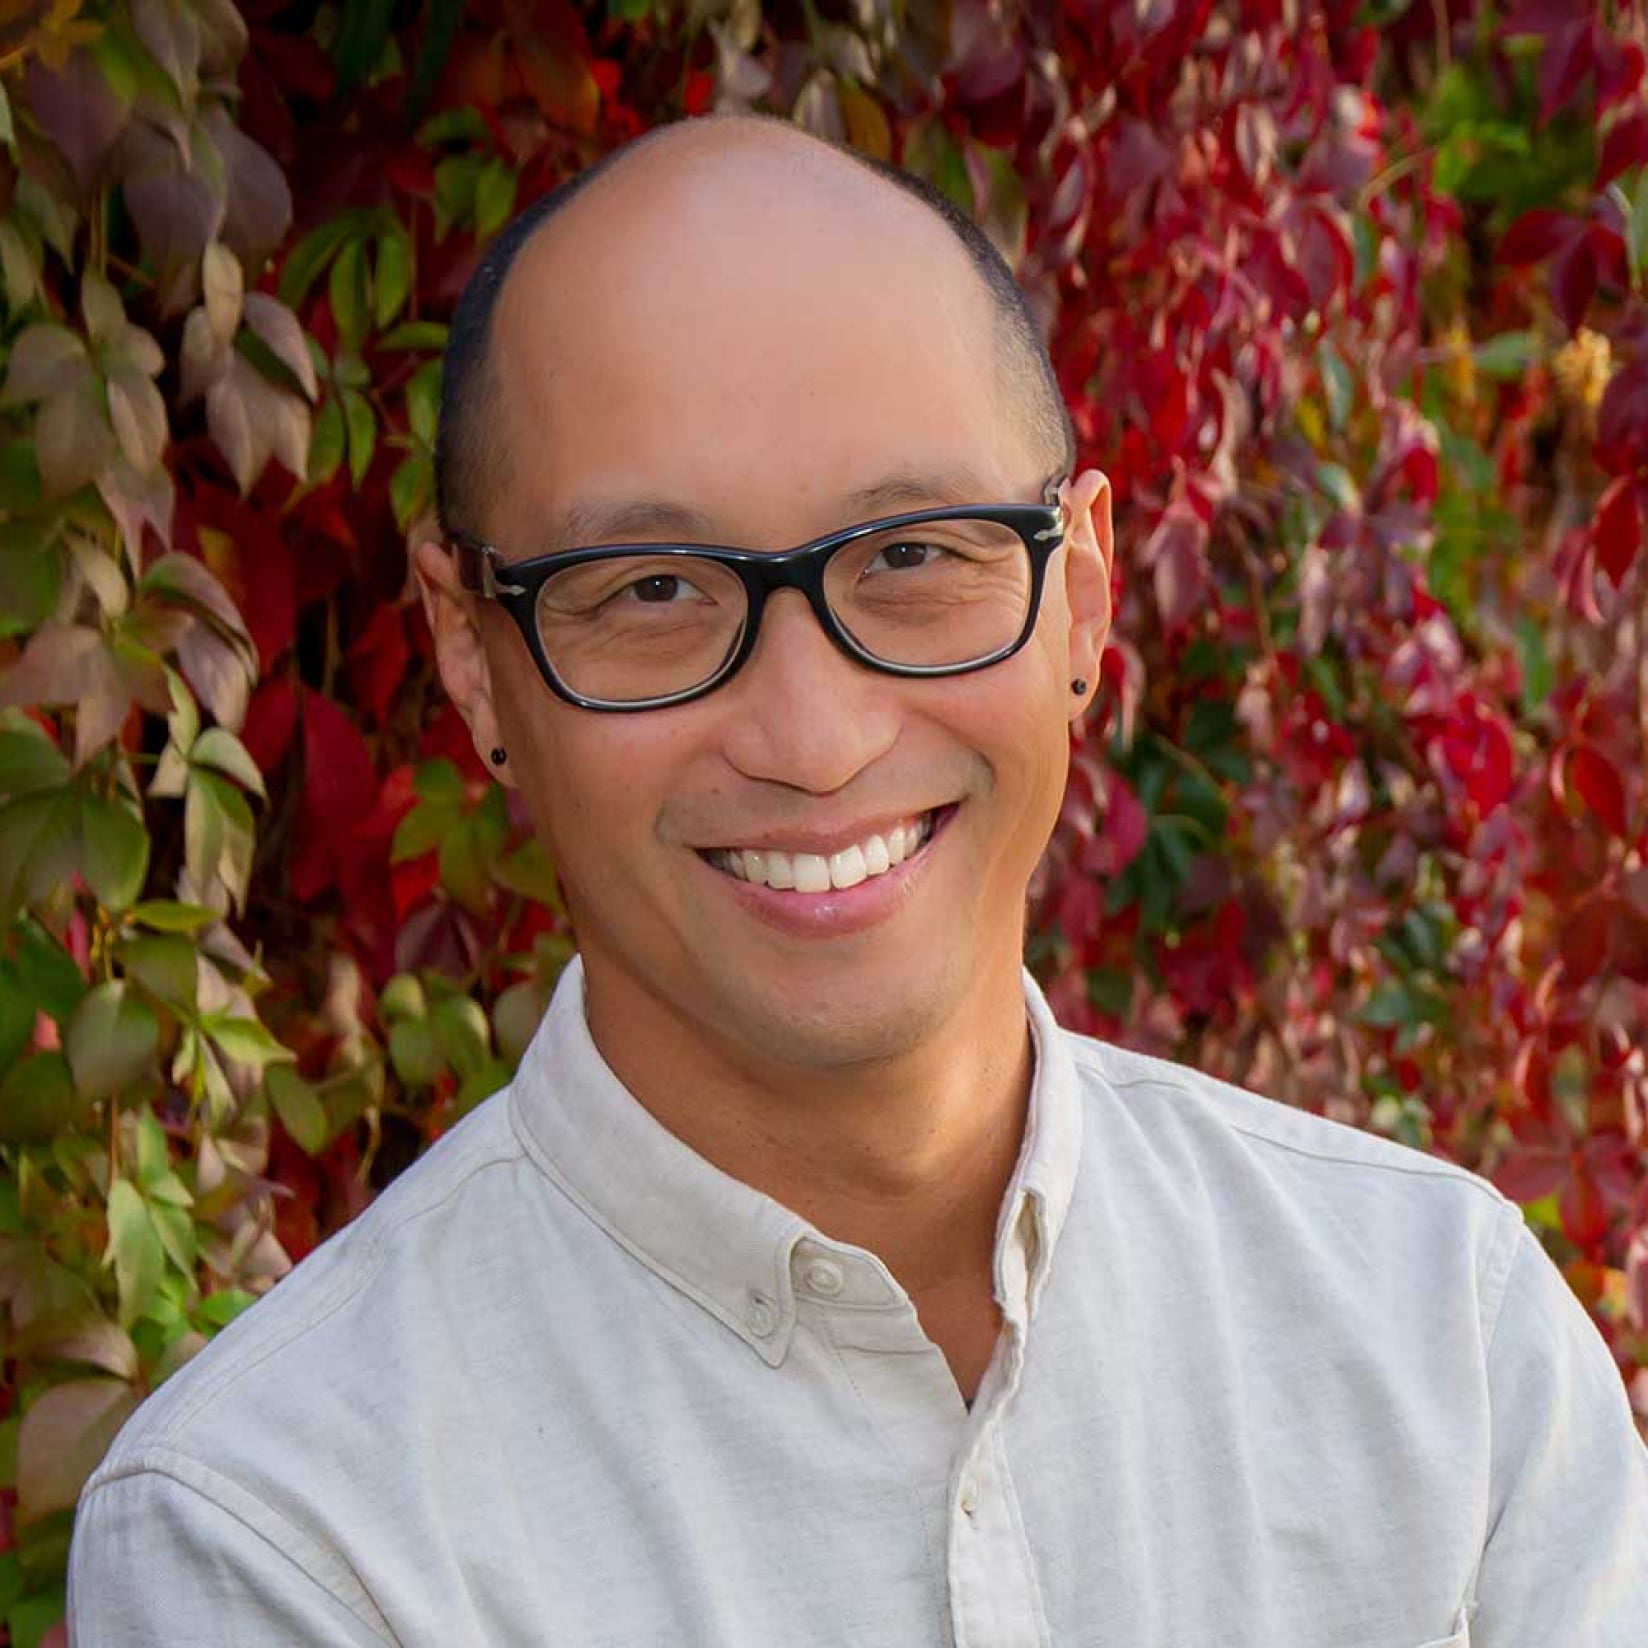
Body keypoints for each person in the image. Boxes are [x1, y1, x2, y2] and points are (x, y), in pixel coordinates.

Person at [69, 114, 1647, 1647]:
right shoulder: (282, 1538)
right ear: (474, 665)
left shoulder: (1452, 1350)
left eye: (911, 554)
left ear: (1085, 597)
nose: (814, 741)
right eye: (654, 590)